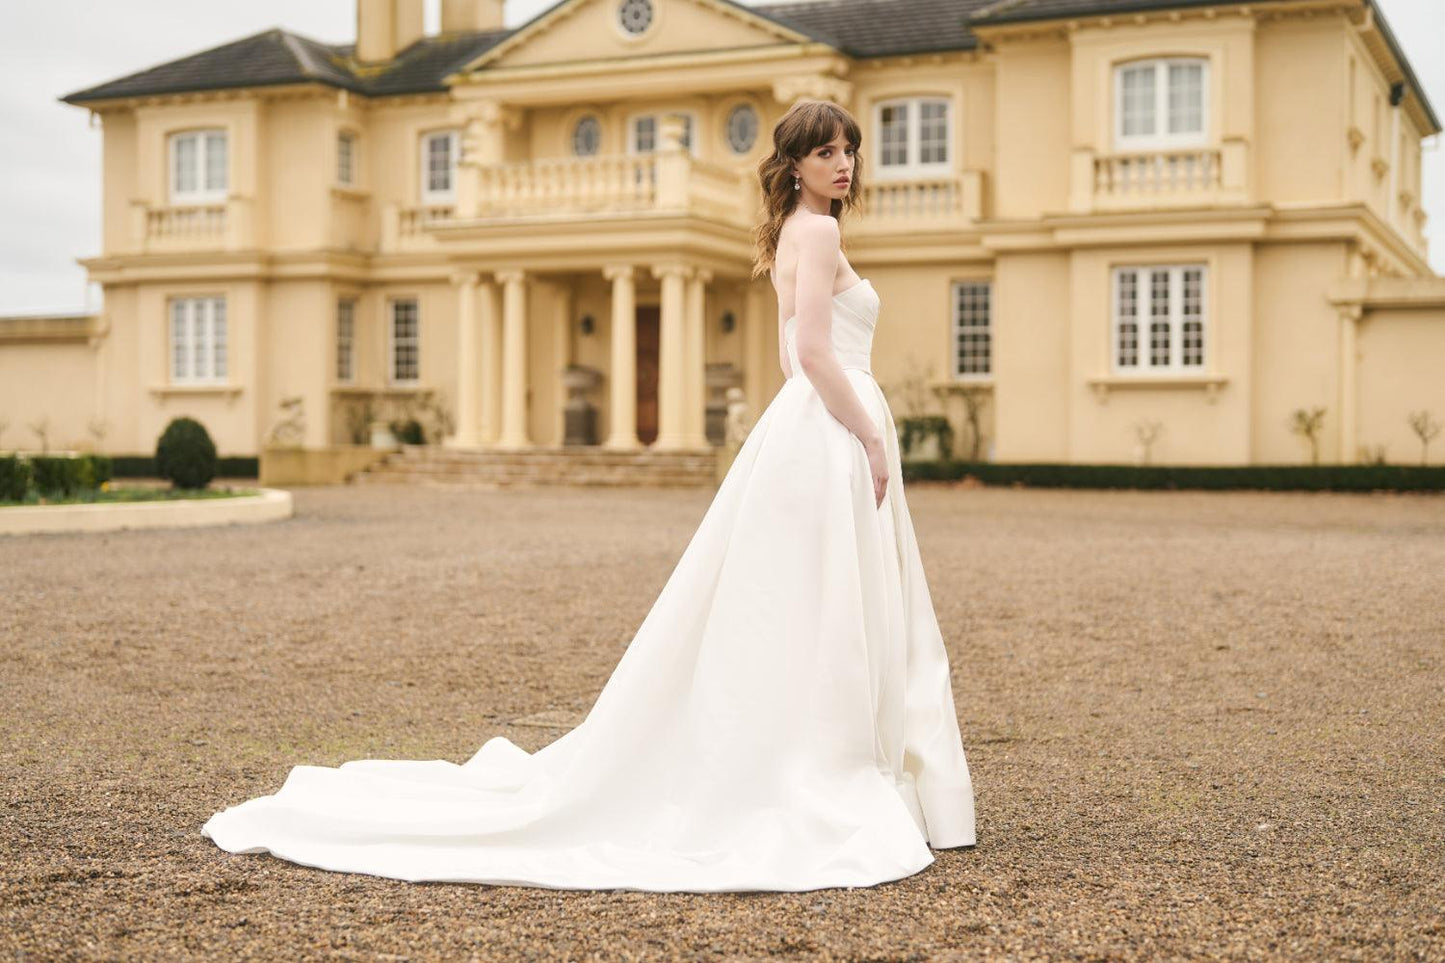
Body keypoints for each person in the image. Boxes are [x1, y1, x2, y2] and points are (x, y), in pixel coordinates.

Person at [200, 99, 976, 893]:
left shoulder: (790, 233)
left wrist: (837, 422)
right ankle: (825, 758)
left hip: (810, 430)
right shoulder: (817, 231)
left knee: (805, 597)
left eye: (847, 149)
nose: (842, 163)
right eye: (824, 153)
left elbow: (790, 360)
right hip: (832, 426)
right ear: (794, 164)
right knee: (830, 597)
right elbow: (810, 351)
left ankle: (801, 747)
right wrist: (872, 436)